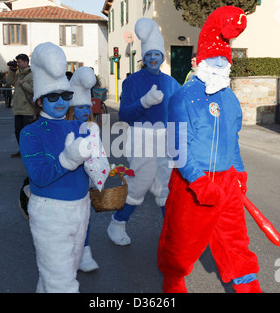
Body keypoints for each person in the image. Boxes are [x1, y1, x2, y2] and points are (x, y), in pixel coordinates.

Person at [157, 6, 262, 293]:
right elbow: (177, 147)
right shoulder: (182, 97)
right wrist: (198, 181)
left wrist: (239, 172)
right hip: (193, 183)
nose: (218, 65)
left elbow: (233, 140)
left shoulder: (230, 99)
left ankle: (248, 285)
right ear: (200, 61)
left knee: (236, 241)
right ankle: (174, 283)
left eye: (223, 61)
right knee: (182, 243)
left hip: (226, 181)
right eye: (213, 59)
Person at [19, 42, 93, 293]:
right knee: (61, 283)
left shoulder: (79, 127)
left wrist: (102, 165)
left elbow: (91, 170)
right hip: (51, 214)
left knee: (59, 275)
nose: (60, 102)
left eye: (65, 95)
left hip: (81, 210)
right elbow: (38, 175)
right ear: (40, 101)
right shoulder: (31, 132)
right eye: (52, 96)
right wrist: (68, 159)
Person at [107, 18, 180, 246]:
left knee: (165, 188)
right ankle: (117, 223)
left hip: (166, 139)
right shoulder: (133, 82)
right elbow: (125, 115)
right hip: (141, 139)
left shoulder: (172, 83)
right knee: (138, 186)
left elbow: (179, 115)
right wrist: (144, 103)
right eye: (149, 54)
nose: (153, 58)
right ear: (144, 57)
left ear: (162, 57)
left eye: (157, 54)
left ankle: (170, 234)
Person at [66, 66, 106, 272]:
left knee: (84, 218)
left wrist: (101, 170)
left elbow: (99, 155)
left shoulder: (92, 128)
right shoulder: (64, 127)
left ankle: (85, 251)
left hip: (84, 181)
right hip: (65, 180)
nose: (84, 111)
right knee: (67, 220)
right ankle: (67, 253)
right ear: (71, 109)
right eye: (79, 107)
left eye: (86, 107)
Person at [7, 53, 34, 158]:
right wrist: (12, 70)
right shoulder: (18, 74)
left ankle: (29, 152)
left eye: (19, 62)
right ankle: (22, 151)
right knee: (18, 132)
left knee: (27, 133)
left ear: (26, 62)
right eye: (17, 62)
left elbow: (33, 90)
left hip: (27, 110)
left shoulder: (32, 75)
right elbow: (9, 81)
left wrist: (23, 84)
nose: (17, 64)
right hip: (18, 109)